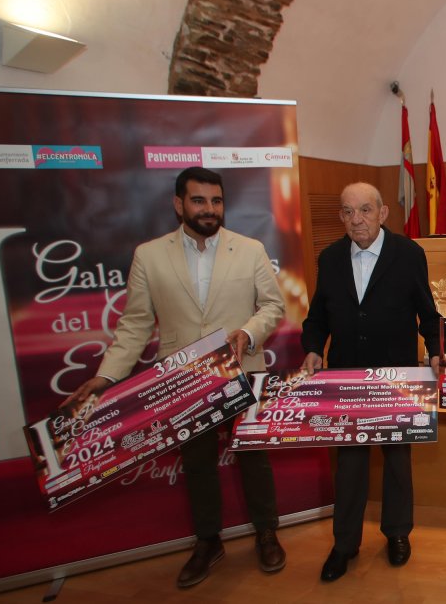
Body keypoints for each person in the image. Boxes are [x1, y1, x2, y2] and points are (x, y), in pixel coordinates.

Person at [64, 166, 286, 588]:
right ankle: (208, 542)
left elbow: (273, 306)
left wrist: (249, 332)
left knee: (254, 456)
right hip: (182, 379)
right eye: (199, 200)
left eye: (216, 201)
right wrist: (106, 376)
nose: (209, 209)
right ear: (179, 204)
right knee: (198, 464)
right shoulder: (149, 255)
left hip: (240, 372)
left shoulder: (250, 249)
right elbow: (135, 324)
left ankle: (267, 532)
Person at [300, 182, 442, 582]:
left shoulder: (409, 254)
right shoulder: (330, 258)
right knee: (349, 466)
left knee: (397, 463)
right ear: (340, 217)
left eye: (364, 210)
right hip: (346, 377)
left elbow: (427, 313)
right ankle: (344, 544)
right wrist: (313, 347)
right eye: (347, 212)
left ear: (382, 213)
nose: (356, 219)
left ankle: (397, 534)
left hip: (397, 376)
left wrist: (435, 349)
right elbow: (317, 316)